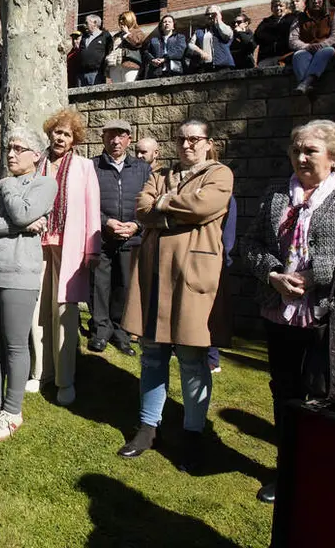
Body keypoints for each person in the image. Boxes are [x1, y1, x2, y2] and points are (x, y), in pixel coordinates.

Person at [241, 119, 335, 503]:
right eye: (296, 150)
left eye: (310, 150)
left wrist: (314, 276)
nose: (301, 157)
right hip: (281, 309)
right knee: (285, 391)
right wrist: (273, 274)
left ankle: (329, 471)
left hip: (334, 309)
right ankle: (288, 469)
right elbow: (252, 243)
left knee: (330, 392)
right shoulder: (276, 193)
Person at [119, 118, 234, 473]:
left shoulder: (220, 173)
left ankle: (193, 432)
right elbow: (141, 208)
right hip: (155, 276)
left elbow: (204, 207)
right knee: (152, 354)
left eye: (194, 139)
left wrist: (163, 209)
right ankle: (148, 426)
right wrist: (173, 210)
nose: (187, 145)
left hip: (192, 275)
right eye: (181, 139)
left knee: (191, 358)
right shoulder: (161, 174)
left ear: (208, 142)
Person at [0, 126, 56, 441]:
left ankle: (12, 410)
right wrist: (16, 225)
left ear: (36, 155)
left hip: (20, 274)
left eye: (19, 149)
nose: (11, 154)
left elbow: (23, 212)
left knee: (16, 343)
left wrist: (9, 189)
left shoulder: (45, 183)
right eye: (9, 148)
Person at [30, 108, 101, 406]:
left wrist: (92, 249)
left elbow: (92, 209)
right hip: (37, 244)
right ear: (50, 133)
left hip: (69, 247)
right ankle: (40, 372)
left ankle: (65, 379)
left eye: (67, 134)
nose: (60, 137)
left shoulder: (84, 167)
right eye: (57, 132)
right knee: (37, 309)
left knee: (65, 312)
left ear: (74, 140)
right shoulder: (37, 163)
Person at [91, 119, 151, 356]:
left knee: (124, 286)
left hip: (131, 237)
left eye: (121, 135)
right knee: (99, 285)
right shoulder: (92, 167)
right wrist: (105, 221)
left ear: (129, 138)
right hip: (102, 237)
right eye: (110, 135)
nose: (115, 141)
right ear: (103, 138)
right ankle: (100, 331)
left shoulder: (142, 169)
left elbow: (150, 203)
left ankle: (122, 332)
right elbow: (84, 203)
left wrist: (137, 225)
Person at [288, 0, 335, 95]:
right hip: (307, 48)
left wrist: (321, 45)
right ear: (308, 1)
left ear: (324, 1)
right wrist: (306, 46)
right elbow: (293, 39)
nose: (316, 1)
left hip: (329, 48)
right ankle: (307, 85)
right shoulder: (300, 18)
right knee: (298, 55)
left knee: (325, 52)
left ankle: (305, 83)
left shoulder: (334, 14)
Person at [187, 5, 235, 72]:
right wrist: (201, 52)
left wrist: (219, 21)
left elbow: (228, 35)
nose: (210, 16)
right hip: (206, 66)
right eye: (208, 14)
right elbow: (190, 45)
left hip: (223, 65)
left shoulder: (225, 27)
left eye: (213, 14)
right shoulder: (200, 31)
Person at [254, 0, 293, 67]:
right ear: (272, 8)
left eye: (281, 6)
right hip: (266, 57)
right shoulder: (265, 22)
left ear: (286, 7)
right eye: (275, 6)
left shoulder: (292, 19)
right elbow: (257, 37)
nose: (278, 8)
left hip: (285, 56)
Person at [110, 11, 147, 82]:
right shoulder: (116, 36)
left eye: (123, 19)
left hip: (130, 64)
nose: (121, 21)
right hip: (115, 65)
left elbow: (137, 43)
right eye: (120, 19)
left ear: (130, 19)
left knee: (128, 88)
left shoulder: (137, 32)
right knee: (116, 89)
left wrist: (127, 33)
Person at [77, 14, 112, 87]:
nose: (84, 25)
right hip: (81, 75)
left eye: (86, 23)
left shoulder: (105, 36)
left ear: (95, 23)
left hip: (97, 74)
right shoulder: (84, 38)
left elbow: (110, 52)